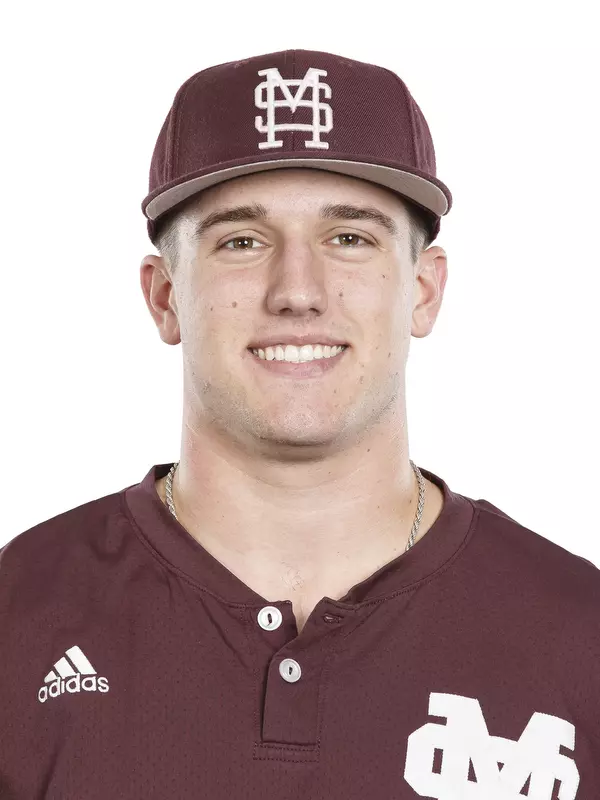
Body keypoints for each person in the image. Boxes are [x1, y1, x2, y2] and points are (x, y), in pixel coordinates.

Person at [1, 48, 598, 799]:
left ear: (423, 289)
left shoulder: (579, 635)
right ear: (163, 297)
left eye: (349, 237)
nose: (297, 291)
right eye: (241, 242)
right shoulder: (21, 611)